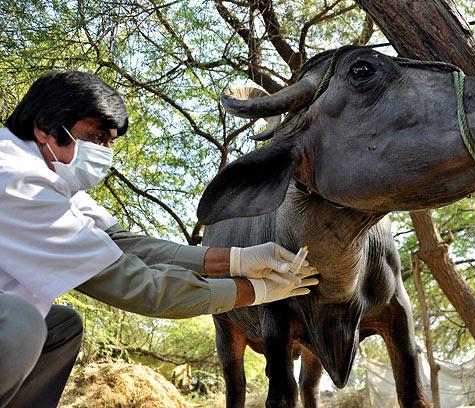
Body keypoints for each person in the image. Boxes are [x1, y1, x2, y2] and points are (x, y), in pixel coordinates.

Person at [0, 71, 319, 408]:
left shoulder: (53, 177)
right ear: (46, 126)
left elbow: (126, 244)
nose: (103, 152)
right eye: (95, 138)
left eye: (109, 142)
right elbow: (140, 288)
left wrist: (239, 259)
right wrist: (259, 291)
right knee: (20, 321)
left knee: (61, 326)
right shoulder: (20, 182)